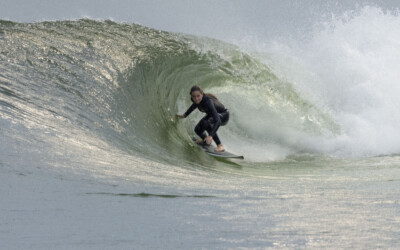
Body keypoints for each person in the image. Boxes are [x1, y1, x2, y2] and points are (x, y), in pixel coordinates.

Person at [177, 85, 229, 152]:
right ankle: (205, 140)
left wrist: (210, 135)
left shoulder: (208, 102)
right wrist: (181, 116)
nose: (196, 98)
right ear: (191, 96)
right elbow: (189, 111)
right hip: (213, 116)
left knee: (206, 122)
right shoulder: (197, 101)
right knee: (197, 129)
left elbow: (218, 121)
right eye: (194, 96)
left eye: (198, 96)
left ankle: (220, 145)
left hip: (224, 115)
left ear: (202, 94)